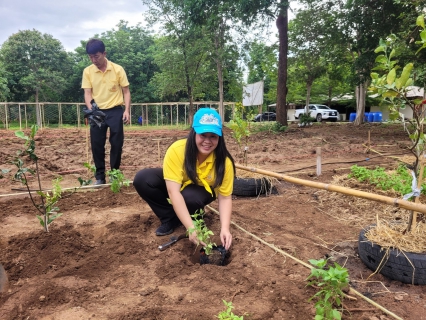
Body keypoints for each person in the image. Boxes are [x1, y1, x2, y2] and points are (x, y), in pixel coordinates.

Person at [133, 108, 235, 250]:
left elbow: (225, 198)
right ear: (193, 133)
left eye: (213, 136)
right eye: (203, 135)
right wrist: (191, 229)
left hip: (202, 191)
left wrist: (225, 228)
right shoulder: (177, 150)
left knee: (190, 197)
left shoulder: (224, 163)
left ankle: (195, 216)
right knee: (143, 179)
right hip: (180, 186)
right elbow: (173, 191)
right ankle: (170, 218)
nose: (207, 141)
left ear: (220, 138)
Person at [81, 38, 131, 185]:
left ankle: (114, 174)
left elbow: (126, 91)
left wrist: (126, 110)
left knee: (116, 143)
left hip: (115, 111)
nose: (93, 60)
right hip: (97, 111)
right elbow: (88, 93)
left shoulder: (118, 69)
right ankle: (100, 177)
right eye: (90, 57)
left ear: (104, 53)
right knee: (97, 144)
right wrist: (91, 110)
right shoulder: (88, 71)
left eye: (96, 56)